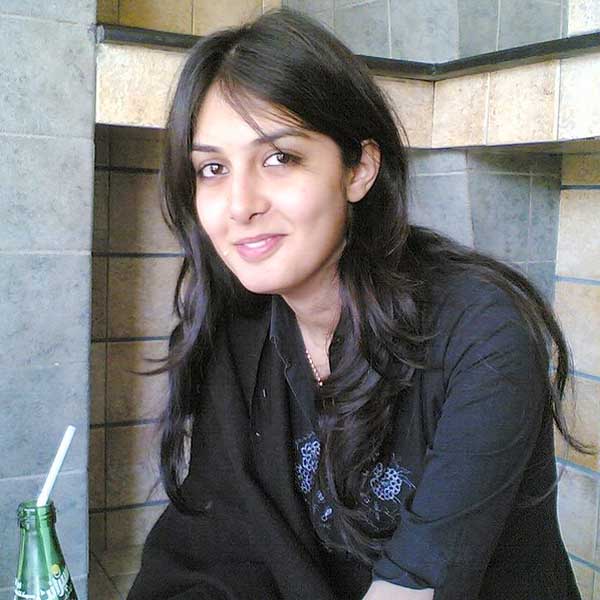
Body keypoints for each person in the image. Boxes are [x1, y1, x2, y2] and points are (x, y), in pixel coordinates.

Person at [126, 8, 594, 600]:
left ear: (359, 169)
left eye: (279, 158)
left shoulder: (481, 332)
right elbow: (212, 551)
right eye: (212, 168)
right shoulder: (240, 333)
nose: (240, 205)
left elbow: (418, 588)